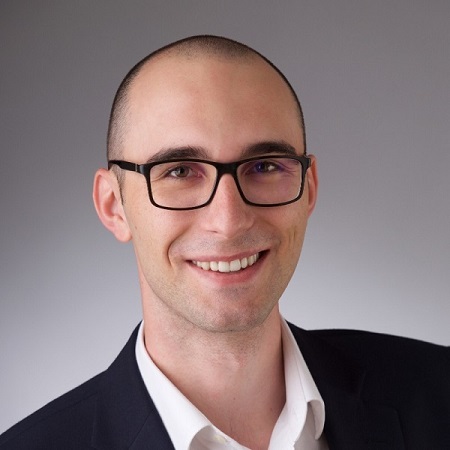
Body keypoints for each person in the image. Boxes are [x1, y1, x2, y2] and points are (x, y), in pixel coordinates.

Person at [1, 35, 449, 450]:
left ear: (309, 187)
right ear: (114, 205)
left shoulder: (439, 394)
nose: (229, 221)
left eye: (265, 166)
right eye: (179, 171)